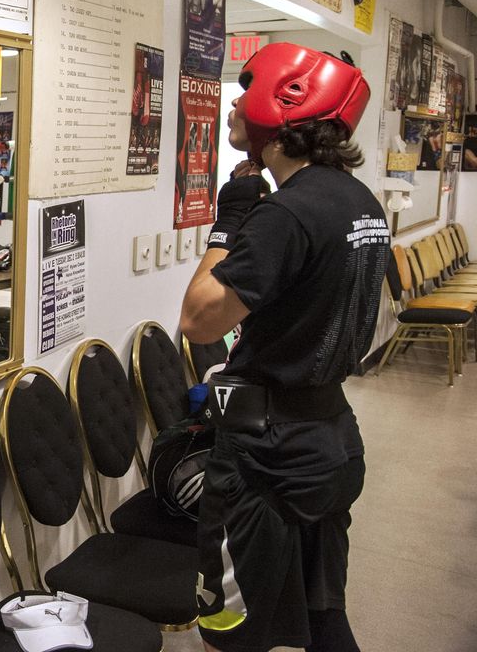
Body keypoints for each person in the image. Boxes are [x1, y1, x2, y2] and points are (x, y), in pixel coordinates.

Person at [180, 43, 386, 652]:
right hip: (331, 443)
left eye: (248, 89)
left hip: (266, 460)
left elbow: (198, 320)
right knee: (323, 615)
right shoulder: (358, 201)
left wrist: (229, 224)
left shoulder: (286, 213)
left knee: (230, 629)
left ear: (288, 103)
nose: (237, 101)